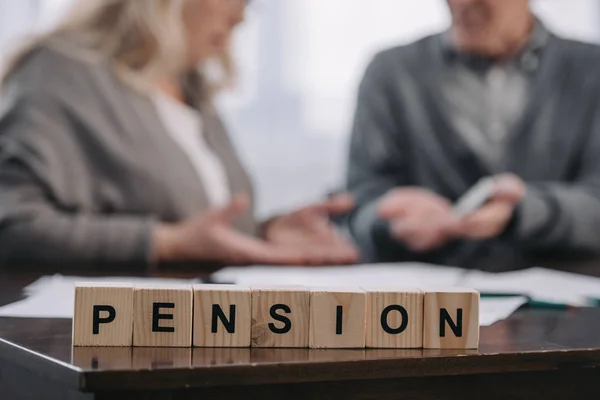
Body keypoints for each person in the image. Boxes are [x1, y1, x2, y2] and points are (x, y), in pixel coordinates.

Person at [0, 0, 359, 269]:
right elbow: (12, 225)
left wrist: (263, 233)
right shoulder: (60, 72)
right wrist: (167, 243)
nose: (243, 13)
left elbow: (199, 229)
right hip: (100, 339)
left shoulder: (191, 88)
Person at [345, 0, 600, 268]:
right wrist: (388, 223)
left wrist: (525, 211)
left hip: (566, 297)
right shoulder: (391, 73)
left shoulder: (591, 70)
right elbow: (359, 203)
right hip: (432, 295)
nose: (462, 3)